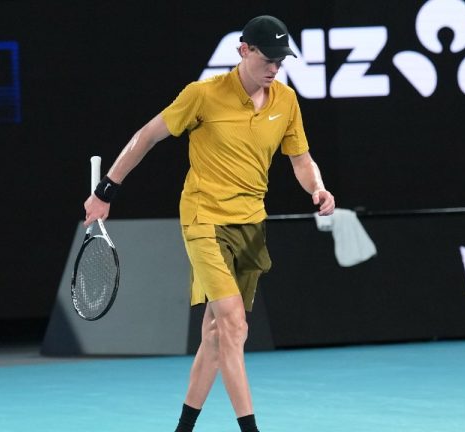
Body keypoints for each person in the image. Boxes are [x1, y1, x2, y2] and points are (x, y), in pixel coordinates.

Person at [83, 15, 335, 432]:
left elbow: (300, 159)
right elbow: (145, 137)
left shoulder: (286, 101)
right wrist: (106, 190)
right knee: (235, 325)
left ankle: (183, 428)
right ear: (244, 51)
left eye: (281, 59)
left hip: (251, 223)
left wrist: (317, 188)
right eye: (267, 57)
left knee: (217, 335)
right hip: (205, 220)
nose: (274, 67)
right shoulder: (202, 95)